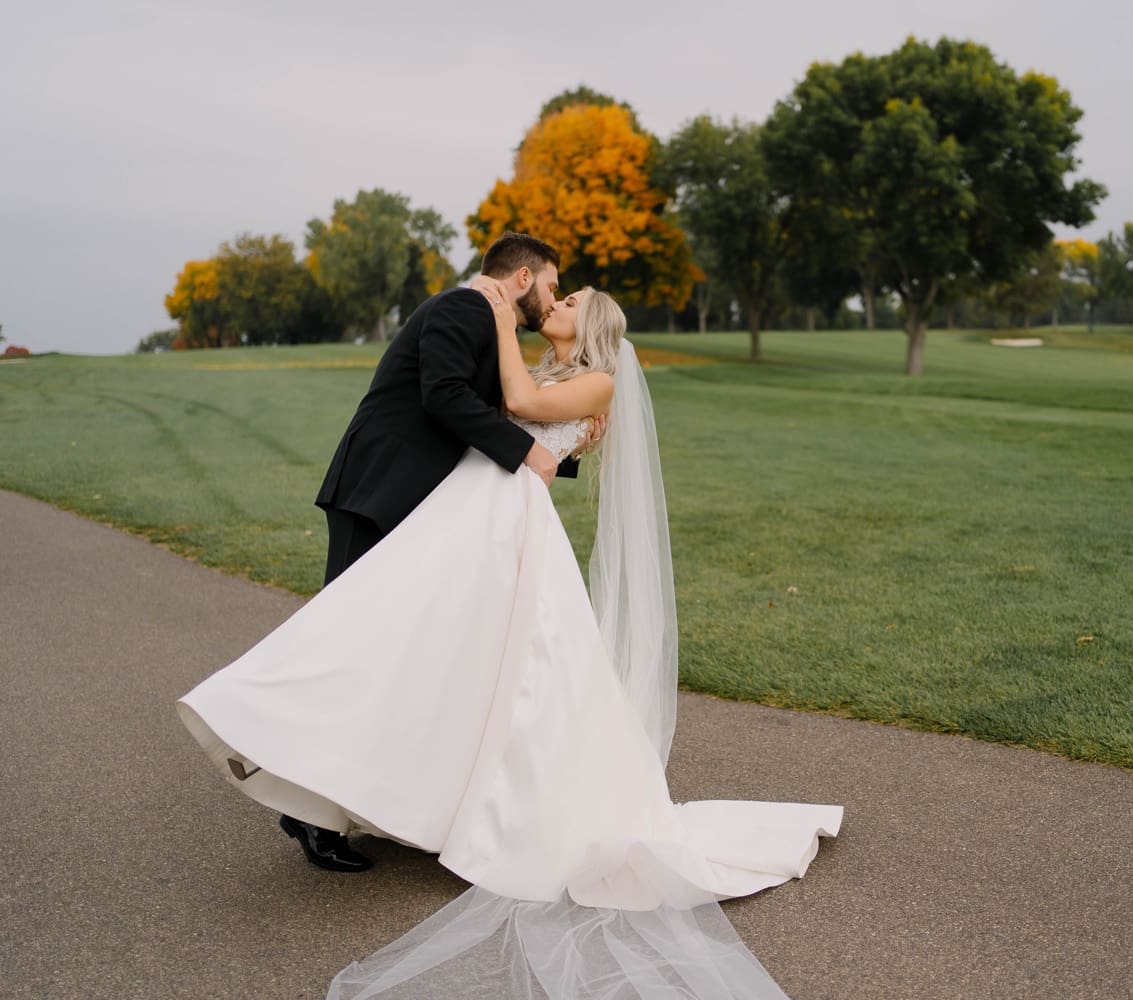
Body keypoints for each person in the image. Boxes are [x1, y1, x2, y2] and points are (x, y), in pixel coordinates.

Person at [176, 269, 841, 997]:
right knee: (420, 647)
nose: (555, 301)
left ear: (594, 324)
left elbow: (520, 406)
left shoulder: (598, 382)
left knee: (504, 670)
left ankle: (458, 805)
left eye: (570, 300)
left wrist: (499, 315)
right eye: (554, 291)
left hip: (505, 521)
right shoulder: (549, 367)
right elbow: (495, 408)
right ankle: (338, 769)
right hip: (472, 510)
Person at [281, 232, 590, 872]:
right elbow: (444, 395)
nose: (553, 297)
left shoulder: (485, 319)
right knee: (349, 653)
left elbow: (489, 409)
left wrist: (562, 453)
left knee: (387, 657)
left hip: (408, 504)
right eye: (553, 285)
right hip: (376, 493)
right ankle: (309, 813)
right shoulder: (462, 307)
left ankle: (343, 799)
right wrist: (530, 453)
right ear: (524, 277)